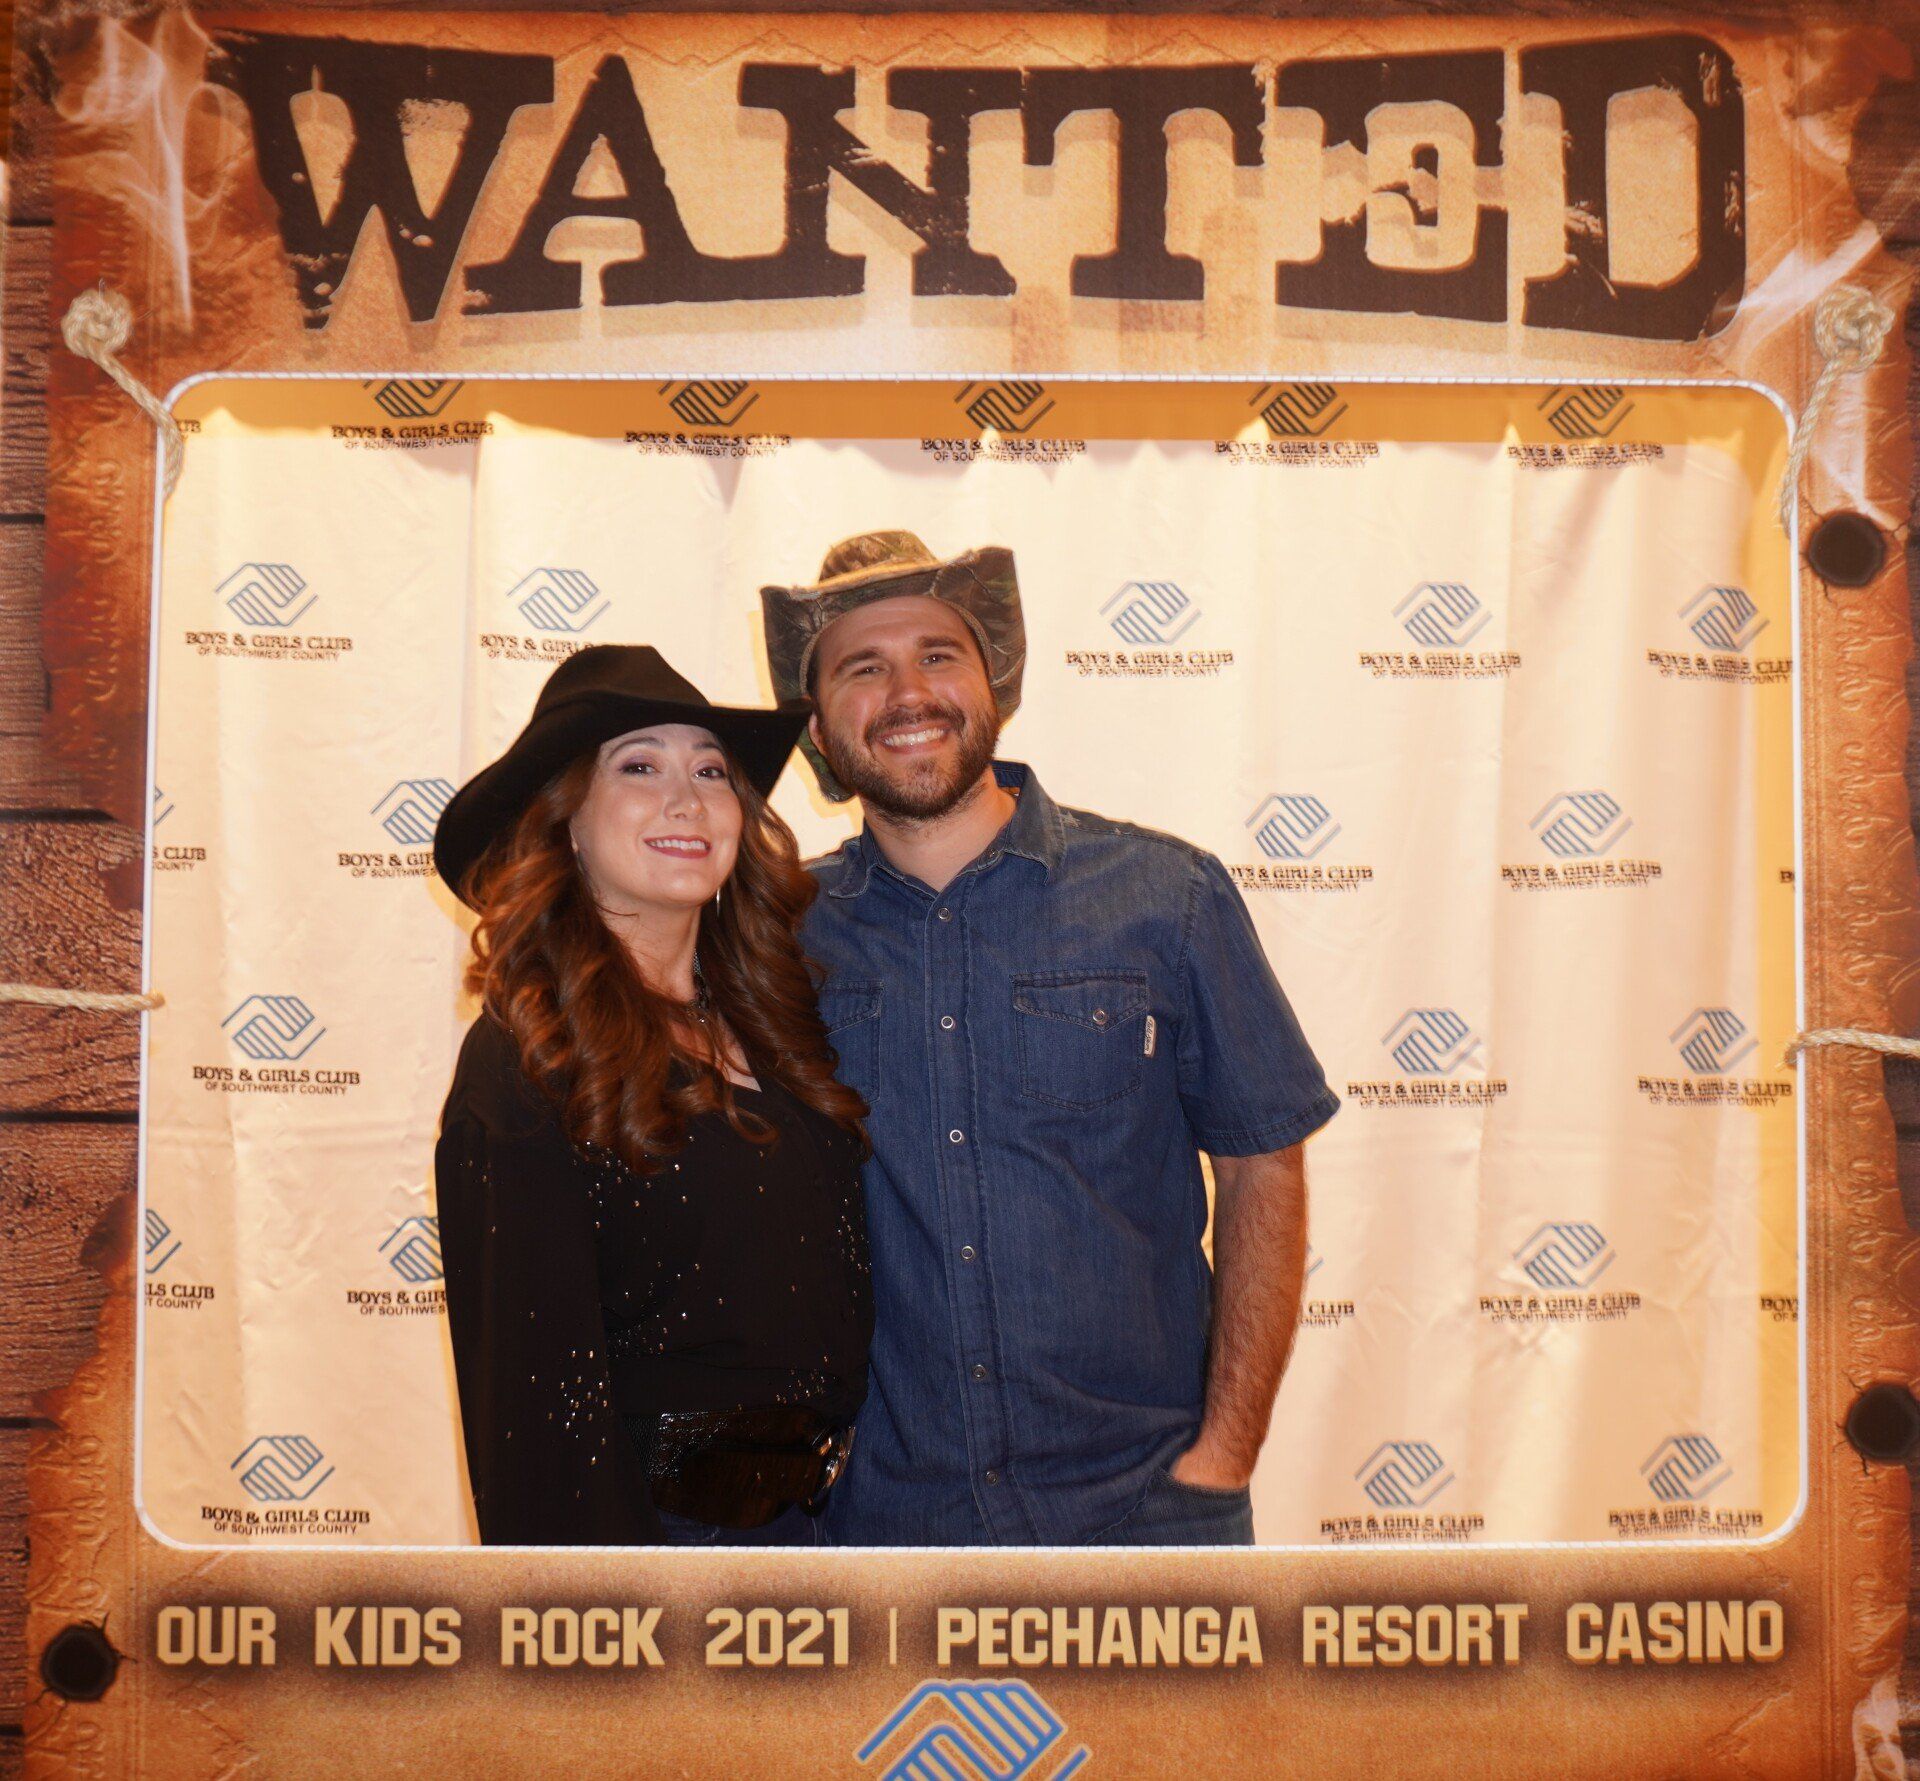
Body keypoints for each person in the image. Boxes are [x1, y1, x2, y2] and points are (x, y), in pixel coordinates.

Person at [760, 532, 1338, 1546]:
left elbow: (1264, 1167)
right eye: (863, 667)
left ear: (995, 680)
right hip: (886, 1530)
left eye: (938, 654)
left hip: (1145, 1518)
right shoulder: (775, 936)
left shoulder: (1167, 896)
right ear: (818, 726)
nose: (908, 692)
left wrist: (1224, 1457)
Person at [430, 645, 871, 1546]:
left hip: (832, 1530)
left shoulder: (777, 1019)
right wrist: (607, 1615)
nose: (688, 799)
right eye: (640, 766)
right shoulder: (525, 1063)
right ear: (566, 822)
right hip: (665, 1550)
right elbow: (535, 1422)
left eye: (711, 771)